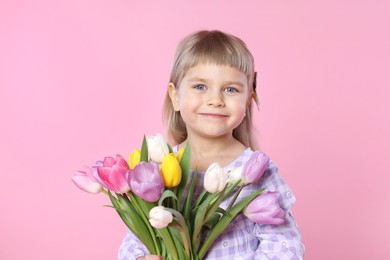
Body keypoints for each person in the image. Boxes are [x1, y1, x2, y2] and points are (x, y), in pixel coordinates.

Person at [118, 30, 304, 259]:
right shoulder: (160, 169)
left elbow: (284, 245)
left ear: (248, 100)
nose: (215, 100)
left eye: (230, 89)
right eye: (200, 87)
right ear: (175, 97)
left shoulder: (256, 170)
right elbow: (137, 236)